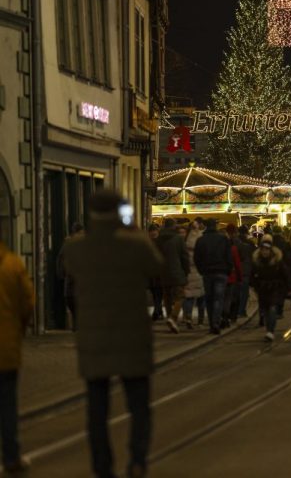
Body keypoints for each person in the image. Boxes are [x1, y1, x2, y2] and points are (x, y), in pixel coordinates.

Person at [62, 191, 163, 478]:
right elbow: (156, 268)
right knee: (139, 405)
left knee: (97, 410)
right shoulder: (135, 244)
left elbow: (71, 270)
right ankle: (137, 459)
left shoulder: (75, 248)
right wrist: (135, 232)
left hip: (94, 339)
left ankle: (102, 467)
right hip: (132, 336)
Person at [0, 242, 34, 475]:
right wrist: (19, 329)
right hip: (6, 349)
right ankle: (11, 457)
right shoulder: (12, 264)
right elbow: (28, 302)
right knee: (7, 405)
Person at [193, 218, 233, 335]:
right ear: (215, 226)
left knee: (209, 299)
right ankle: (216, 322)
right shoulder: (223, 239)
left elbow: (197, 258)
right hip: (221, 272)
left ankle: (212, 323)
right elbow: (228, 256)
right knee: (218, 299)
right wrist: (228, 270)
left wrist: (201, 270)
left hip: (207, 273)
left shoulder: (201, 240)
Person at [251, 236, 289, 342]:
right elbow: (252, 275)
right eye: (263, 249)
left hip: (275, 288)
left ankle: (271, 331)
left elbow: (285, 274)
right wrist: (255, 286)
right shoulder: (257, 261)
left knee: (272, 308)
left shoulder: (277, 260)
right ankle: (269, 329)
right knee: (266, 310)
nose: (265, 252)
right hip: (262, 289)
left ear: (270, 250)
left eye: (267, 249)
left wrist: (289, 288)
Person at [155, 218, 190, 334]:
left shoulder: (158, 239)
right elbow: (184, 257)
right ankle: (173, 317)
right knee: (180, 296)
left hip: (163, 272)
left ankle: (170, 319)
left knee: (167, 297)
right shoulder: (178, 239)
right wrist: (186, 271)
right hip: (177, 271)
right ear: (174, 226)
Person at [57, 222, 84, 331]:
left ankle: (77, 325)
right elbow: (61, 259)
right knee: (71, 299)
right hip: (73, 277)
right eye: (80, 233)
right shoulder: (69, 244)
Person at [182, 219, 206, 329]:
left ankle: (188, 317)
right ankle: (200, 321)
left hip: (189, 272)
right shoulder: (201, 238)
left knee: (189, 297)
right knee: (201, 297)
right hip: (200, 271)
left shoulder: (185, 240)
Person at [236, 225, 256, 318]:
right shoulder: (250, 243)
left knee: (236, 291)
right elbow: (254, 257)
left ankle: (235, 311)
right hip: (246, 270)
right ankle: (241, 310)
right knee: (244, 291)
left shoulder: (234, 242)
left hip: (236, 270)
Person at [146, 223, 164, 321]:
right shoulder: (161, 243)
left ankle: (158, 311)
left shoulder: (146, 243)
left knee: (155, 293)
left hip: (150, 273)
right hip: (158, 273)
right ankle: (157, 311)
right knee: (158, 293)